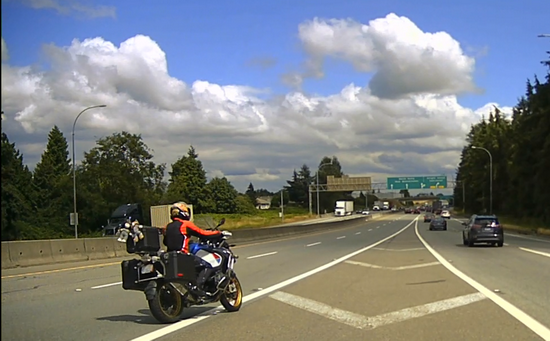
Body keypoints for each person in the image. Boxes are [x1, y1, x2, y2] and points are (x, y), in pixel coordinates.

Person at [162, 202, 231, 297]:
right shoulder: (185, 224)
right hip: (183, 256)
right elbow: (202, 233)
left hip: (170, 257)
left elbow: (166, 242)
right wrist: (219, 233)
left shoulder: (167, 227)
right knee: (207, 265)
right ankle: (198, 287)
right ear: (184, 213)